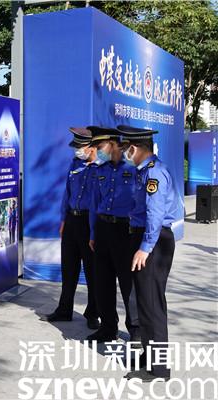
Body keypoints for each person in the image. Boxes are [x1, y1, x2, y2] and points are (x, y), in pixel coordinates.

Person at [118, 125, 178, 382]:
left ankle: (159, 369)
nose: (124, 152)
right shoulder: (143, 171)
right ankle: (149, 355)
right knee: (144, 300)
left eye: (126, 148)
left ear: (135, 148)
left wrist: (145, 248)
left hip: (154, 241)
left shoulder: (154, 173)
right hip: (145, 238)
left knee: (152, 304)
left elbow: (155, 215)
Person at [87, 126, 140, 343]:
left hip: (125, 231)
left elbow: (142, 203)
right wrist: (93, 233)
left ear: (113, 144)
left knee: (128, 283)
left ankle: (136, 330)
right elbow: (94, 203)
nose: (97, 151)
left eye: (100, 146)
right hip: (103, 229)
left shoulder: (134, 169)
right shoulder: (100, 170)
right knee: (103, 281)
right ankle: (108, 327)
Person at [43, 127, 99, 329]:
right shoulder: (75, 163)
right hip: (71, 220)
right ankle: (64, 309)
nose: (77, 150)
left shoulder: (101, 168)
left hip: (89, 223)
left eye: (81, 147)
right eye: (76, 147)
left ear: (92, 147)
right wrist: (63, 220)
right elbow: (67, 193)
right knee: (69, 268)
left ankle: (93, 313)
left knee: (92, 271)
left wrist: (94, 231)